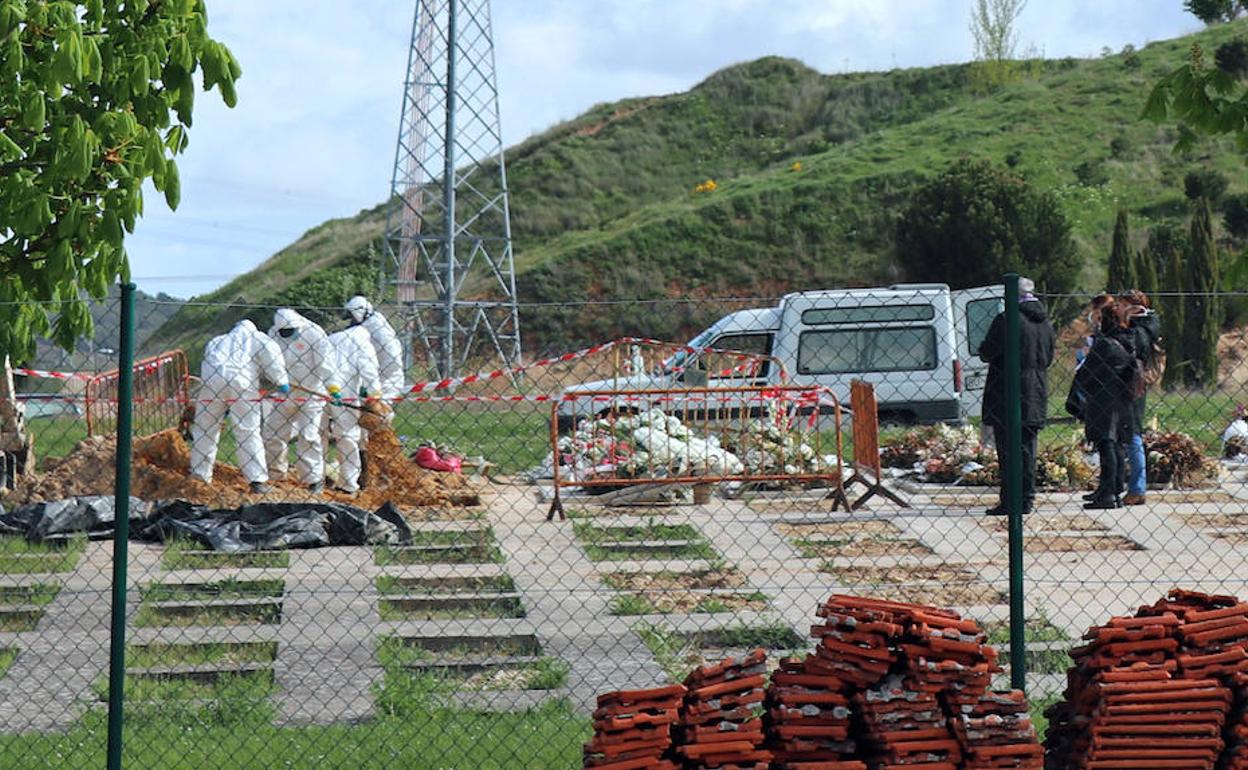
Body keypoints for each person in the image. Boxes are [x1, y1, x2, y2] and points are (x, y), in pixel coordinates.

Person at [977, 277, 1057, 516]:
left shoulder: (1007, 320)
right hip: (1036, 391)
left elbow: (987, 351)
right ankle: (1026, 499)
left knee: (1008, 450)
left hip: (1007, 391)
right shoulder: (1046, 324)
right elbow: (1049, 358)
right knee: (1027, 449)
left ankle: (1010, 500)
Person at [190, 320, 289, 493]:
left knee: (205, 428)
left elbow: (208, 361)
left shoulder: (217, 340)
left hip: (211, 382)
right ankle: (257, 481)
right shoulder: (258, 338)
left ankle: (200, 476)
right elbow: (272, 360)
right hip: (242, 382)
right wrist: (281, 382)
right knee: (247, 430)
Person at [265, 308, 340, 492]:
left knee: (308, 436)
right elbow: (271, 360)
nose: (287, 335)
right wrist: (276, 381)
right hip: (286, 392)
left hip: (311, 394)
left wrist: (333, 388)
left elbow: (326, 364)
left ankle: (313, 480)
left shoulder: (314, 334)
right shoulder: (274, 334)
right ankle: (276, 475)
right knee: (273, 433)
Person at [1071, 301, 1136, 510]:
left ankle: (1107, 493)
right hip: (1122, 400)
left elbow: (1086, 373)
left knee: (1106, 445)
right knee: (1116, 445)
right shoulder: (1128, 341)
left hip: (1103, 400)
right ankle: (1114, 489)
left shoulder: (1105, 344)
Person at [326, 325, 381, 494]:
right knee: (347, 435)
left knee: (315, 434)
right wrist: (373, 394)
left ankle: (315, 480)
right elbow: (369, 370)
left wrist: (331, 387)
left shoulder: (332, 338)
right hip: (345, 390)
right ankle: (349, 484)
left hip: (320, 386)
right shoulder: (363, 343)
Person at [1119, 290, 1161, 506]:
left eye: (1124, 305)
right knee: (1129, 433)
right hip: (1134, 386)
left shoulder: (1140, 330)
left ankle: (1137, 487)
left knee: (1133, 434)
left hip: (1132, 387)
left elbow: (1130, 351)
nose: (1119, 309)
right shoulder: (1145, 327)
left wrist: (1125, 323)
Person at [344, 296, 404, 400]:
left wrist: (377, 378)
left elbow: (393, 359)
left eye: (352, 317)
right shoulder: (369, 325)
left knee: (380, 412)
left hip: (387, 380)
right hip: (374, 378)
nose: (351, 321)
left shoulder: (378, 329)